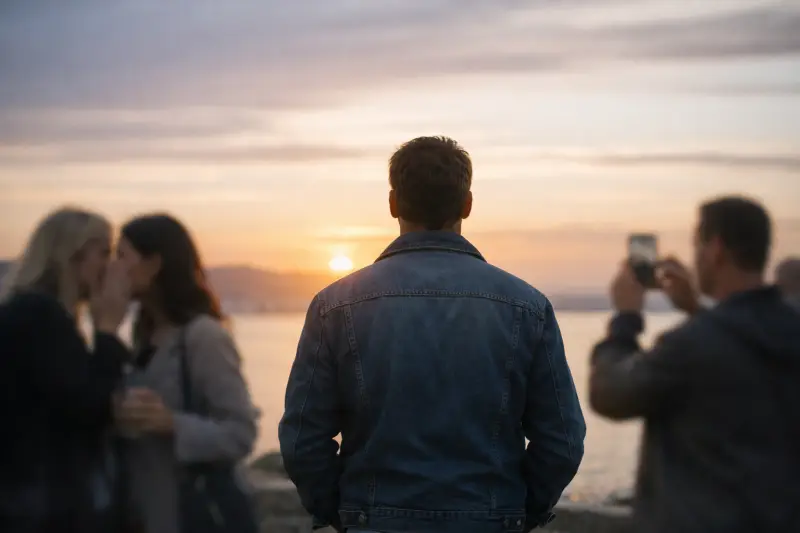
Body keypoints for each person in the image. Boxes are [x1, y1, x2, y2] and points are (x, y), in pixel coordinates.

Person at [280, 136, 586, 533]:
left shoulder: (334, 306)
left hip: (372, 521)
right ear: (467, 205)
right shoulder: (527, 306)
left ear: (393, 204)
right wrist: (517, 512)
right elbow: (562, 438)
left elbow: (303, 440)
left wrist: (342, 513)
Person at [589, 196, 800, 533]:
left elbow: (609, 393)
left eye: (697, 244)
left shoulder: (690, 346)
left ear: (715, 249)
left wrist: (626, 319)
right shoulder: (787, 328)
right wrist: (696, 308)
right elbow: (738, 350)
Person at [113, 214, 259, 533]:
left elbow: (240, 432)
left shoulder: (202, 336)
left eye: (122, 255)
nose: (114, 268)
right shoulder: (142, 336)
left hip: (188, 515)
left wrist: (171, 424)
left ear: (153, 264)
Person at [0, 207, 132, 533]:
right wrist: (108, 333)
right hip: (39, 509)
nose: (110, 266)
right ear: (72, 254)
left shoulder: (28, 312)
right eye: (104, 252)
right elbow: (88, 408)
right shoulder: (40, 316)